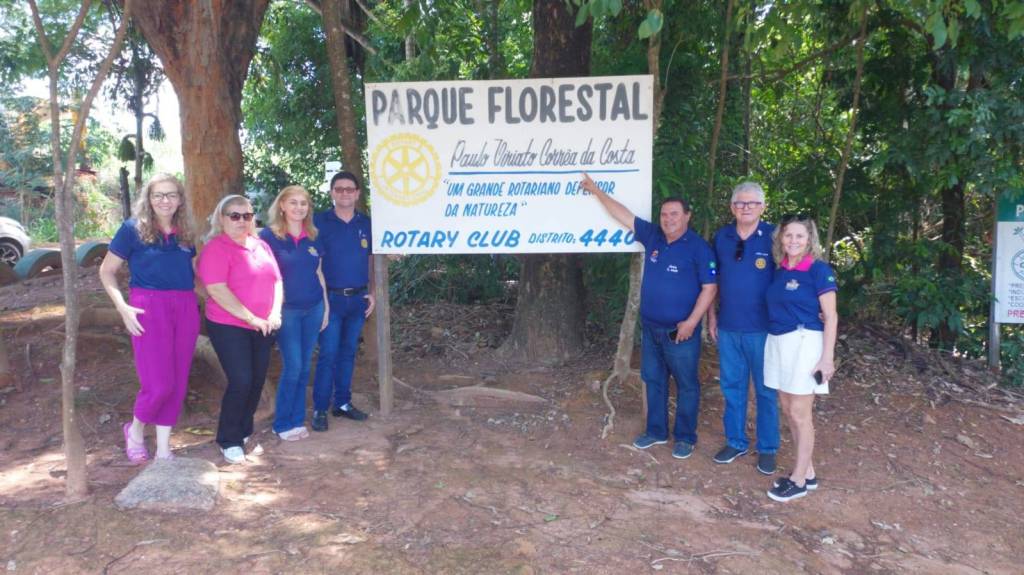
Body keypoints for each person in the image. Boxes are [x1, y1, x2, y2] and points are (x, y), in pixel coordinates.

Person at [581, 174, 717, 459]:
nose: (668, 219)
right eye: (664, 214)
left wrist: (692, 322)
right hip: (651, 328)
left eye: (674, 214)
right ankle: (656, 432)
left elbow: (710, 288)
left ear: (687, 216)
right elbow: (622, 214)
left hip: (681, 332)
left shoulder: (699, 248)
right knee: (654, 380)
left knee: (687, 385)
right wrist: (596, 190)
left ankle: (685, 437)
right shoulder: (653, 236)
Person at [99, 174, 199, 463]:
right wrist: (122, 307)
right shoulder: (132, 229)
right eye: (158, 195)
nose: (165, 201)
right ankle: (135, 430)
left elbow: (195, 273)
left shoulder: (186, 233)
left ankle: (164, 449)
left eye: (171, 195)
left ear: (180, 200)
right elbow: (107, 271)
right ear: (149, 199)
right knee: (159, 385)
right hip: (148, 307)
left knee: (177, 381)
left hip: (185, 306)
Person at [197, 195, 283, 464]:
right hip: (229, 325)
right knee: (241, 380)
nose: (241, 220)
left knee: (257, 380)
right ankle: (228, 438)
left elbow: (277, 281)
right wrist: (251, 318)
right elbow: (217, 290)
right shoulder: (216, 248)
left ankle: (244, 430)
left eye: (247, 215)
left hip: (264, 325)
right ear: (221, 219)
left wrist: (274, 312)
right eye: (234, 215)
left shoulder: (261, 245)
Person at [763, 214, 838, 502]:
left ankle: (798, 480)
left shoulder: (818, 270)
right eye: (788, 235)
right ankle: (808, 471)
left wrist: (827, 359)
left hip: (805, 342)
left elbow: (831, 316)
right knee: (787, 408)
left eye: (800, 236)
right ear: (781, 239)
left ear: (809, 240)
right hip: (778, 341)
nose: (793, 241)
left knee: (800, 413)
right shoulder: (780, 270)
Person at [707, 182, 780, 474]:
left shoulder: (775, 237)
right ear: (732, 207)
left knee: (766, 390)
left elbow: (791, 275)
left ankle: (768, 448)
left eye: (752, 203)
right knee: (732, 388)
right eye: (740, 203)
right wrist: (711, 317)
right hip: (728, 327)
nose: (745, 208)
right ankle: (736, 441)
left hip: (764, 329)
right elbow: (712, 282)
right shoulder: (722, 237)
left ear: (762, 207)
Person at [259, 186, 328, 441]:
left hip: (314, 308)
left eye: (303, 203)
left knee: (304, 366)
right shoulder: (269, 236)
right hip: (286, 311)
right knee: (294, 366)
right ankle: (282, 423)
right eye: (293, 203)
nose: (299, 208)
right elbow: (261, 276)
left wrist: (326, 308)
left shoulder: (314, 236)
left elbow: (318, 273)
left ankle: (297, 419)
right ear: (282, 206)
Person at [311, 171, 375, 432]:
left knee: (348, 353)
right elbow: (312, 262)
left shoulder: (366, 223)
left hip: (358, 300)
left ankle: (342, 403)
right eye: (339, 189)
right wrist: (320, 299)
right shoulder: (318, 222)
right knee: (328, 354)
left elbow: (372, 259)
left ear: (357, 193)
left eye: (350, 189)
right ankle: (319, 408)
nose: (345, 193)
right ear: (332, 193)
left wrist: (373, 292)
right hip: (330, 300)